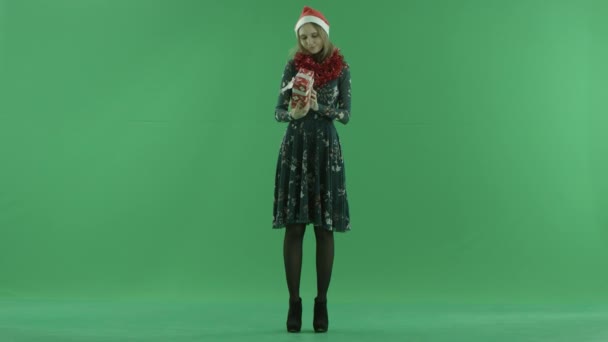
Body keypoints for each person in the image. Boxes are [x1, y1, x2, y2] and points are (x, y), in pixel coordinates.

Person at [272, 5, 351, 333]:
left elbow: (347, 114)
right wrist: (293, 111)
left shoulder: (341, 69)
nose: (309, 41)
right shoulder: (292, 66)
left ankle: (321, 303)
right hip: (296, 149)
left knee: (324, 229)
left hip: (325, 152)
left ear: (324, 34)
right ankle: (294, 303)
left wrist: (322, 106)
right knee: (295, 228)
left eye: (314, 34)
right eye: (303, 36)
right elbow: (277, 111)